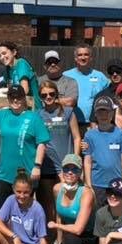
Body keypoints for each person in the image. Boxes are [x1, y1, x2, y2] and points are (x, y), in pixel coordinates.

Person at [46, 154, 96, 244]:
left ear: (80, 173)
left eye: (75, 169)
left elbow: (78, 229)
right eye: (66, 168)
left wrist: (57, 227)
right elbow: (59, 217)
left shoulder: (86, 193)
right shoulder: (57, 189)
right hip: (70, 237)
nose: (70, 172)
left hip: (89, 235)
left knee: (70, 239)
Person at [36, 80, 80, 221]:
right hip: (47, 165)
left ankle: (67, 234)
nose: (48, 97)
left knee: (67, 201)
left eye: (51, 94)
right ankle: (50, 233)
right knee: (47, 201)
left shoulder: (68, 112)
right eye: (44, 95)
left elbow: (77, 137)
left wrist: (76, 160)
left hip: (66, 164)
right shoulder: (38, 115)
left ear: (56, 94)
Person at [82, 97, 122, 207]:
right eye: (100, 112)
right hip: (97, 183)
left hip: (116, 182)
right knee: (98, 215)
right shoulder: (89, 135)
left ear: (112, 113)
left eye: (107, 112)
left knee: (117, 215)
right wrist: (88, 184)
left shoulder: (120, 134)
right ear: (95, 114)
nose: (103, 116)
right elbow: (87, 161)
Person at [64, 43, 109, 127]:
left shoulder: (100, 77)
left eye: (86, 55)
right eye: (80, 55)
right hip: (71, 123)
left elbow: (109, 97)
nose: (83, 57)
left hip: (94, 123)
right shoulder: (66, 76)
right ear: (75, 58)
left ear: (91, 58)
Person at [0, 40, 40, 109]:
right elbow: (8, 88)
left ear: (14, 52)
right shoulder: (7, 69)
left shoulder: (21, 63)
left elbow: (24, 90)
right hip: (19, 108)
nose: (2, 57)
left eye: (4, 53)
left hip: (33, 109)